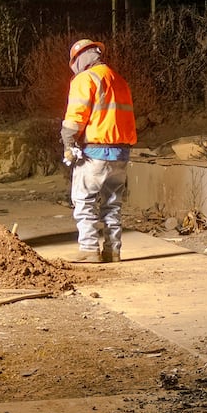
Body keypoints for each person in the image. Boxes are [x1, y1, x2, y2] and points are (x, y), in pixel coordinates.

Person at [61, 38, 137, 262]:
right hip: (121, 152)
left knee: (84, 200)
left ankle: (89, 249)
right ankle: (113, 250)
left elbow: (76, 116)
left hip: (96, 152)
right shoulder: (119, 80)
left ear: (78, 59)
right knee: (112, 204)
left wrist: (68, 141)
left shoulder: (85, 79)